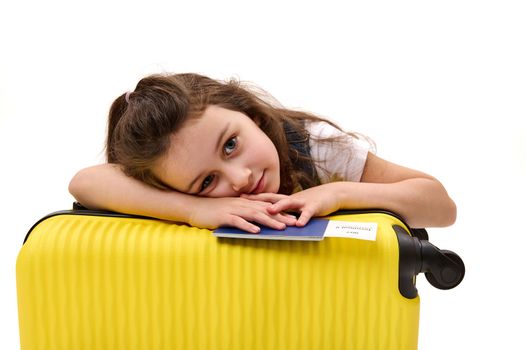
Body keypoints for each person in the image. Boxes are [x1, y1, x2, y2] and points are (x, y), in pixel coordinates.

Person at [69, 73, 456, 233]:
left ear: (251, 115)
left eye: (231, 144)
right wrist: (194, 209)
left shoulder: (315, 148)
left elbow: (440, 206)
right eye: (206, 182)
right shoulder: (179, 191)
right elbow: (84, 182)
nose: (240, 179)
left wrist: (336, 193)